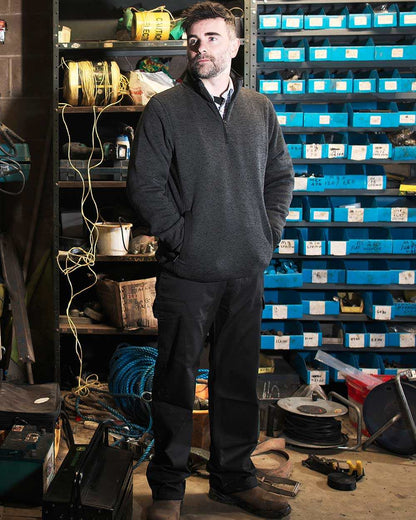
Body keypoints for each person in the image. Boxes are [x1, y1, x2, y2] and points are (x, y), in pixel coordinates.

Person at [127, 2, 294, 519]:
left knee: (237, 380)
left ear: (236, 45)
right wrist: (181, 238)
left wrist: (265, 237)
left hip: (246, 270)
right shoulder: (166, 109)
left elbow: (280, 179)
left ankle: (233, 479)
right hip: (187, 272)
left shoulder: (259, 110)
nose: (201, 48)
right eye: (193, 40)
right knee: (175, 382)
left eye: (213, 38)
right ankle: (170, 491)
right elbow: (145, 186)